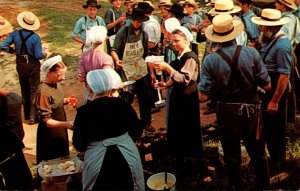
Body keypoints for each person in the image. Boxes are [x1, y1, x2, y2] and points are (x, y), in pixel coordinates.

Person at [199, 14, 271, 190]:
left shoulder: (210, 59)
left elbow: (203, 97)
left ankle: (236, 186)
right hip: (252, 110)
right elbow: (267, 86)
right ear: (233, 34)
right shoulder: (251, 52)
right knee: (258, 153)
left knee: (232, 155)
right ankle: (264, 186)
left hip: (226, 112)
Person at [72, 68, 145, 191]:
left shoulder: (84, 112)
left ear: (90, 89)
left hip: (97, 160)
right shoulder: (123, 105)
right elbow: (137, 130)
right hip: (126, 155)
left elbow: (79, 144)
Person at [154, 26, 203, 177]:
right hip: (179, 97)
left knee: (188, 126)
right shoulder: (181, 56)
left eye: (177, 41)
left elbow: (184, 78)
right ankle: (179, 157)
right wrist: (166, 84)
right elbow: (176, 78)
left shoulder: (190, 57)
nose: (174, 44)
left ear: (186, 40)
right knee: (177, 126)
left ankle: (193, 162)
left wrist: (168, 68)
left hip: (187, 98)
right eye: (172, 41)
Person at [251, 8, 292, 176]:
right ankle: (272, 157)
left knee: (276, 128)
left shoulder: (282, 45)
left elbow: (284, 75)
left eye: (262, 26)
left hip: (276, 88)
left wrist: (275, 100)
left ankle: (278, 161)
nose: (260, 28)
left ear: (271, 28)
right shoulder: (269, 40)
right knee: (267, 125)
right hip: (267, 86)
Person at [111, 8, 155, 132]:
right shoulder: (122, 33)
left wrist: (151, 72)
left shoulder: (144, 34)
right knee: (126, 98)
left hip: (141, 69)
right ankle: (123, 125)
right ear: (131, 20)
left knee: (145, 98)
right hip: (127, 70)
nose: (137, 24)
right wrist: (116, 60)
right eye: (135, 21)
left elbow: (146, 55)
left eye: (139, 22)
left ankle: (146, 123)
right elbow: (114, 50)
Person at [0, 11, 47, 125]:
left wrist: (13, 51)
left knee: (24, 88)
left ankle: (26, 114)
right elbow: (38, 55)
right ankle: (33, 116)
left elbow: (2, 45)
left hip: (20, 63)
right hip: (32, 63)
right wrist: (45, 53)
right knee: (34, 90)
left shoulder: (15, 34)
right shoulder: (35, 37)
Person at [34, 55, 74, 164]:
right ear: (49, 72)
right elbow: (46, 121)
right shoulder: (43, 92)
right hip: (50, 133)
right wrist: (67, 124)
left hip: (59, 128)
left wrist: (66, 100)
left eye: (64, 74)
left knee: (62, 159)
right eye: (60, 75)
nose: (63, 77)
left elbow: (54, 102)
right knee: (52, 162)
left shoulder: (56, 84)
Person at [0, 76, 32, 190]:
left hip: (7, 153)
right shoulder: (10, 105)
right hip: (11, 152)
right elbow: (17, 98)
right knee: (23, 182)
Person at [77, 25, 114, 103]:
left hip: (90, 95)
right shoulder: (106, 58)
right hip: (104, 97)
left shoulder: (84, 56)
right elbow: (109, 80)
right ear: (105, 38)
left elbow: (80, 78)